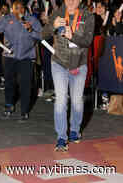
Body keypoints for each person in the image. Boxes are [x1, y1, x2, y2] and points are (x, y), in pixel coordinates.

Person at [42, 0, 95, 151]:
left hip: (79, 64)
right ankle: (61, 137)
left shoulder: (88, 15)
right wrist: (53, 26)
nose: (71, 1)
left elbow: (87, 41)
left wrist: (72, 36)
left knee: (77, 101)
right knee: (61, 99)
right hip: (59, 63)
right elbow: (43, 33)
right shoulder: (57, 13)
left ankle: (74, 131)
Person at [0, 1, 42, 121]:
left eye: (22, 8)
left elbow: (42, 35)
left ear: (25, 9)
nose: (19, 11)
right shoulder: (6, 19)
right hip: (9, 56)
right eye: (17, 8)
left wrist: (31, 29)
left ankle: (24, 111)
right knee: (9, 83)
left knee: (25, 84)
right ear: (12, 9)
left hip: (27, 57)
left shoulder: (31, 20)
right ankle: (9, 106)